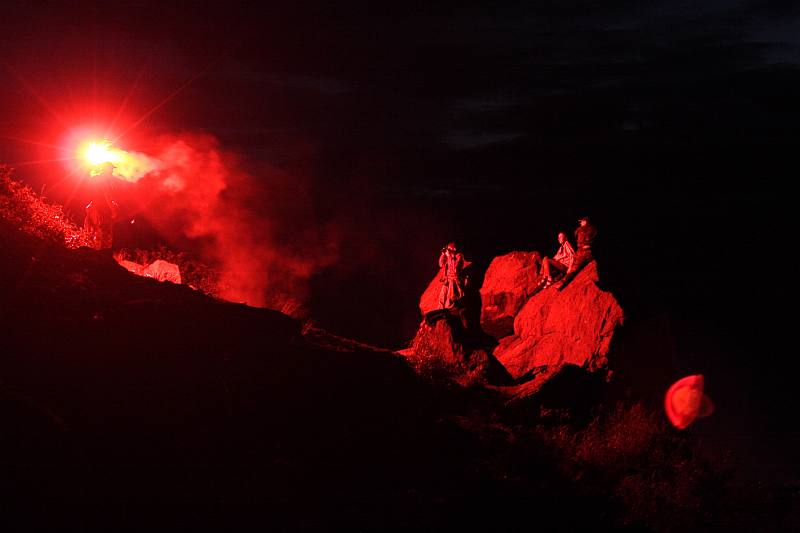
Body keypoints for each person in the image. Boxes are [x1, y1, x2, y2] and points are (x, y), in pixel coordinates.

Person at [84, 162, 119, 250]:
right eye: (111, 169)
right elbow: (106, 195)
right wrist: (113, 210)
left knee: (95, 232)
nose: (112, 171)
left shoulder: (96, 179)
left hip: (95, 208)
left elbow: (94, 194)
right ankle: (103, 255)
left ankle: (94, 252)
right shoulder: (105, 180)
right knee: (105, 234)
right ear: (106, 169)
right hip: (103, 210)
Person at [556, 215, 597, 290]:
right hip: (591, 252)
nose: (580, 223)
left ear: (585, 222)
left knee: (574, 269)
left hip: (581, 252)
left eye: (581, 222)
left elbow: (576, 236)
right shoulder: (594, 229)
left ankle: (562, 283)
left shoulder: (579, 230)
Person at [438, 242, 465, 309]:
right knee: (442, 297)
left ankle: (450, 311)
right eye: (448, 249)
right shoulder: (449, 257)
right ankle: (440, 310)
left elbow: (455, 270)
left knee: (450, 297)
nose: (449, 251)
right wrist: (443, 255)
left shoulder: (459, 256)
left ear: (454, 249)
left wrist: (450, 257)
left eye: (450, 249)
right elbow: (441, 264)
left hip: (454, 280)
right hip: (447, 279)